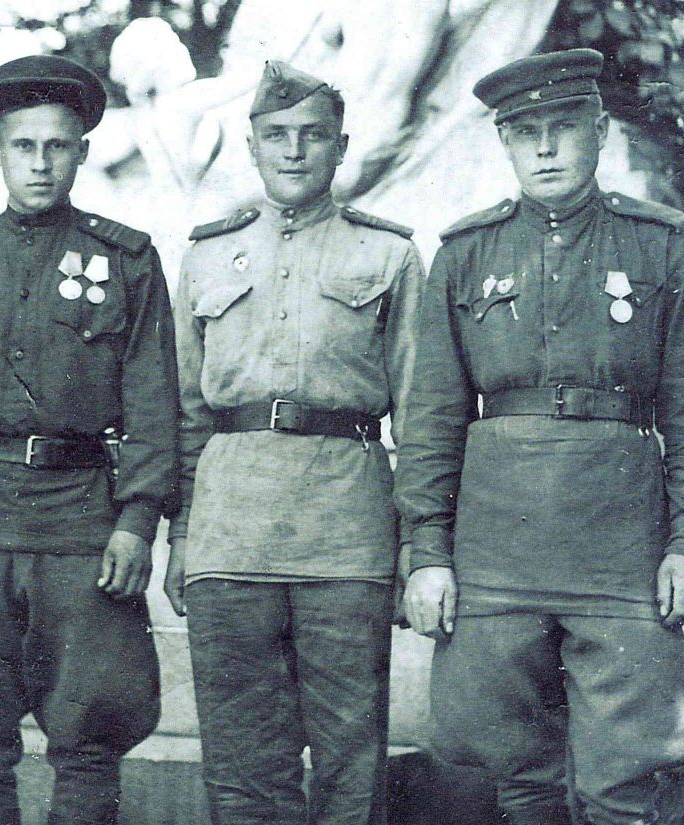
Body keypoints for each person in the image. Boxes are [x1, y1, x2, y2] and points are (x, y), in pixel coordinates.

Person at [394, 48, 684, 825]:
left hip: (620, 544)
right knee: (512, 775)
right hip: (496, 547)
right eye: (524, 133)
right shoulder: (465, 254)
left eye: (563, 128)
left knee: (627, 777)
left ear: (598, 132)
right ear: (504, 142)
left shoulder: (660, 246)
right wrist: (428, 552)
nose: (544, 148)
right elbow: (431, 418)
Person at [0, 55, 180, 825]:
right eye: (23, 145)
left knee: (91, 730)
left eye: (57, 146)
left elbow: (154, 402)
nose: (40, 162)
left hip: (80, 519)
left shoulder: (125, 260)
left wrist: (137, 521)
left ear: (82, 152)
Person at [168, 59, 426, 825]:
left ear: (340, 147)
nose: (293, 150)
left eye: (312, 135)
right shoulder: (206, 255)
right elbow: (185, 412)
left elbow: (420, 415)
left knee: (351, 768)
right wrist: (181, 537)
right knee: (242, 770)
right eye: (276, 135)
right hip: (229, 537)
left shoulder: (389, 256)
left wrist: (416, 543)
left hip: (345, 540)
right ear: (251, 146)